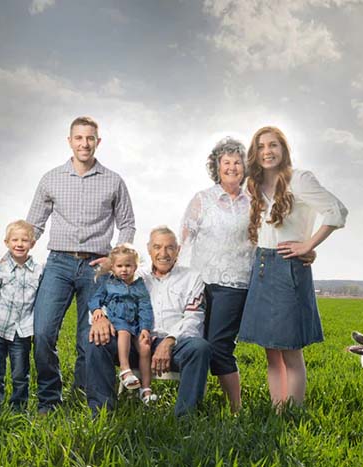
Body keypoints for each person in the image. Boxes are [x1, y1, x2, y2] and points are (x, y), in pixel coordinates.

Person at [26, 116, 136, 414]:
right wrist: (9, 257)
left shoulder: (113, 180)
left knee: (90, 338)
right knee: (44, 332)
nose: (84, 144)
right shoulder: (51, 178)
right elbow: (33, 225)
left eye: (90, 138)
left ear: (98, 142)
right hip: (58, 264)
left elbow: (127, 225)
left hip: (97, 268)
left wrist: (114, 258)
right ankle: (49, 398)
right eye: (79, 138)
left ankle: (85, 394)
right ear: (70, 141)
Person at [238, 126, 348, 410]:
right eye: (261, 147)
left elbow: (337, 211)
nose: (267, 152)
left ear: (283, 149)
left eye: (273, 145)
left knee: (290, 352)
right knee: (271, 353)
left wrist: (308, 245)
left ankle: (293, 413)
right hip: (262, 266)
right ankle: (278, 411)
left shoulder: (300, 180)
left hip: (288, 267)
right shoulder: (255, 185)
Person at [86, 226, 211, 417]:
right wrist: (99, 316)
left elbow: (194, 318)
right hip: (133, 343)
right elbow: (107, 297)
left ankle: (186, 419)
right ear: (148, 249)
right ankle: (101, 413)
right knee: (97, 342)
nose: (163, 253)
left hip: (175, 345)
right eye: (157, 247)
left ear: (178, 250)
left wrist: (169, 341)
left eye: (170, 247)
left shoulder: (192, 277)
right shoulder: (135, 275)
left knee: (200, 348)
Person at [179, 137, 254, 413]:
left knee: (219, 345)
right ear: (217, 166)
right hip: (200, 282)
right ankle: (191, 402)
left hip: (234, 283)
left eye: (237, 162)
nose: (232, 167)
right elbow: (185, 239)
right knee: (195, 342)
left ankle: (236, 409)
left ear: (245, 167)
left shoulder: (253, 201)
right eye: (227, 162)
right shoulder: (203, 199)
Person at [0, 220, 43, 410]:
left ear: (32, 244)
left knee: (20, 374)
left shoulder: (39, 271)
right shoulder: (1, 270)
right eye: (15, 240)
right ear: (6, 243)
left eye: (25, 240)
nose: (19, 244)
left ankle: (18, 407)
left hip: (21, 333)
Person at [89, 244, 156, 403]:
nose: (124, 270)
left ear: (135, 266)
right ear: (113, 267)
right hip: (117, 320)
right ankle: (125, 370)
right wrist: (97, 310)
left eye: (128, 266)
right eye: (119, 266)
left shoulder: (139, 286)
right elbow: (95, 299)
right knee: (124, 332)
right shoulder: (109, 284)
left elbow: (145, 307)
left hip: (136, 323)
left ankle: (146, 389)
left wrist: (145, 328)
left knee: (145, 346)